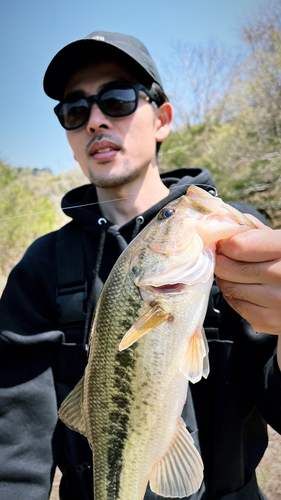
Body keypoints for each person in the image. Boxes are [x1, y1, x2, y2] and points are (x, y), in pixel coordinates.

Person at [0, 30, 281, 500]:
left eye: (116, 99)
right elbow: (13, 450)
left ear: (162, 118)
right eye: (75, 109)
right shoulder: (40, 267)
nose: (94, 121)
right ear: (69, 135)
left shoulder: (239, 240)